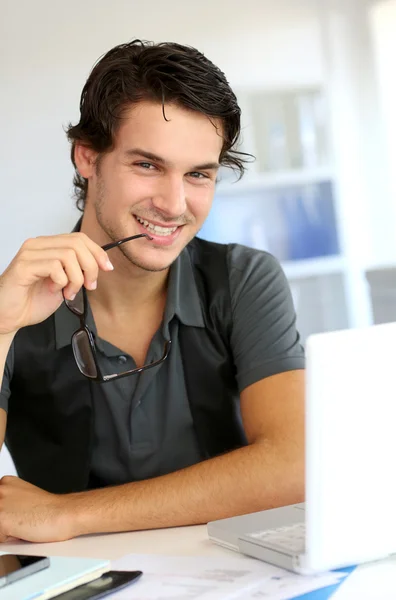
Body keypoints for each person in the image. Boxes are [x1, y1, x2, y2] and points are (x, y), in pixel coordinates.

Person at [0, 39, 305, 544]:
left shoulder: (244, 279)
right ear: (88, 157)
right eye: (147, 165)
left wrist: (69, 514)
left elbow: (293, 466)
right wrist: (2, 325)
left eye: (198, 174)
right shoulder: (16, 300)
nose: (173, 204)